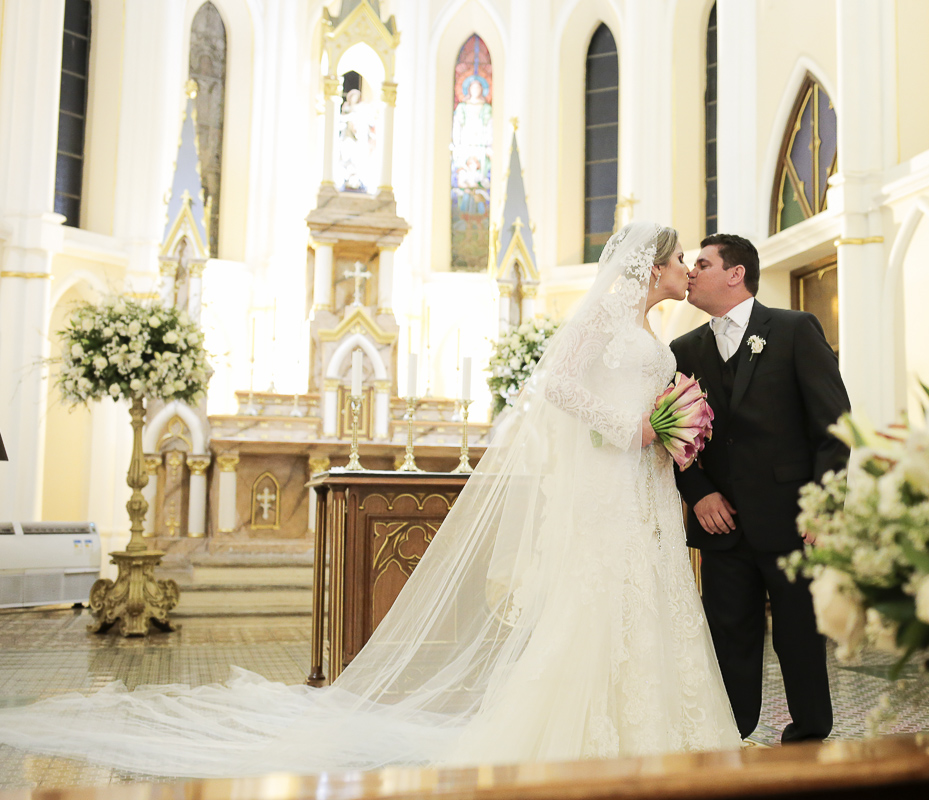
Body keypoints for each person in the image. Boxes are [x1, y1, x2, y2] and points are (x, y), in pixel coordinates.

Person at [0, 222, 741, 777]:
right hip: (613, 485)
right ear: (652, 267)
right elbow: (558, 386)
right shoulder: (608, 320)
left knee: (645, 602)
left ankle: (662, 736)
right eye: (681, 260)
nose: (687, 270)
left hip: (641, 490)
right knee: (598, 606)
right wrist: (632, 425)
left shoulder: (648, 329)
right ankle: (588, 740)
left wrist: (669, 432)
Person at [670, 233, 851, 744]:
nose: (691, 272)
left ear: (735, 274)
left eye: (701, 264)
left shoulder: (794, 330)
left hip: (792, 519)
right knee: (729, 637)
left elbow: (834, 424)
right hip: (721, 524)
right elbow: (677, 438)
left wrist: (824, 504)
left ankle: (811, 735)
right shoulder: (683, 350)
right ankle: (730, 732)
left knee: (799, 635)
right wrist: (699, 492)